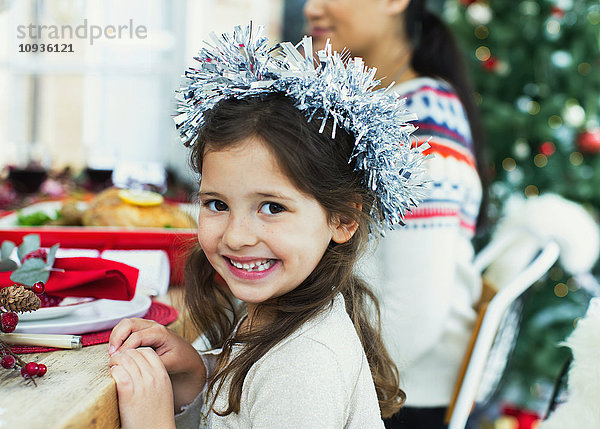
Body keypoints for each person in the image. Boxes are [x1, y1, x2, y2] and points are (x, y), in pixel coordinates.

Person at [106, 25, 429, 428]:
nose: (237, 236)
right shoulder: (274, 314)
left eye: (272, 207)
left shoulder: (305, 365)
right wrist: (199, 372)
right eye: (217, 204)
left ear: (343, 218)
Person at [304, 1, 486, 428]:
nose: (312, 7)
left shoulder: (421, 122)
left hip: (395, 397)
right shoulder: (390, 106)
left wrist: (301, 373)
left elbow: (413, 320)